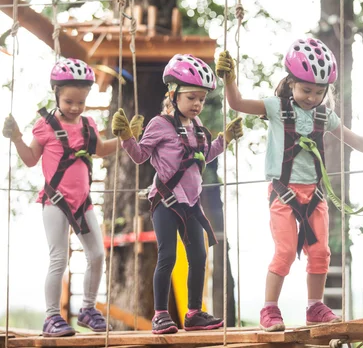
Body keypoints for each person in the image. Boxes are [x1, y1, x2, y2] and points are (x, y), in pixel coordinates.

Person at [216, 38, 363, 331]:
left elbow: (354, 140)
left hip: (315, 195)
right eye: (306, 90)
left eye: (319, 92)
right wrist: (229, 80)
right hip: (284, 192)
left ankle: (315, 306)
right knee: (286, 251)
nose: (312, 97)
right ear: (291, 83)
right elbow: (237, 103)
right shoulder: (276, 108)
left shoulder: (324, 116)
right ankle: (270, 309)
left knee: (320, 253)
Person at [111, 54, 243, 334]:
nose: (197, 104)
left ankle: (193, 313)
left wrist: (225, 140)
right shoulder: (160, 124)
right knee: (167, 256)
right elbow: (140, 155)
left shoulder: (198, 129)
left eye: (202, 99)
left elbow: (205, 155)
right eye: (192, 97)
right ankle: (161, 314)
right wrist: (126, 138)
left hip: (191, 205)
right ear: (173, 95)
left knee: (198, 257)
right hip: (166, 203)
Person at [2, 58, 119, 337]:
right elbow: (31, 160)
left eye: (81, 101)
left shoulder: (88, 124)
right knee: (59, 259)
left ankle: (88, 310)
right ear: (56, 94)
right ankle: (52, 317)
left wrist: (127, 139)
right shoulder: (45, 125)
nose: (76, 107)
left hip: (83, 202)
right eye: (69, 101)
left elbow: (101, 150)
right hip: (55, 202)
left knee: (97, 254)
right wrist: (17, 138)